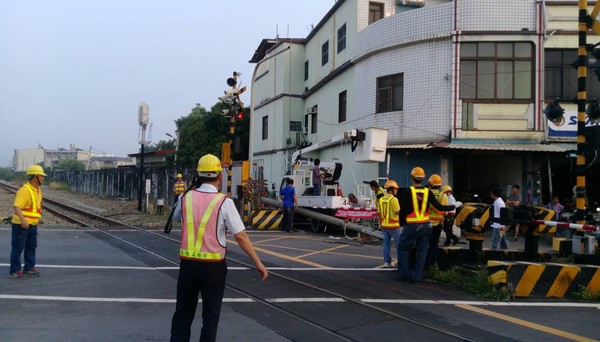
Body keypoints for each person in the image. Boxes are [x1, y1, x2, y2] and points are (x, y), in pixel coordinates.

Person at [170, 154, 268, 342]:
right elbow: (240, 235)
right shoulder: (224, 202)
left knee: (182, 314)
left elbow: (175, 217)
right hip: (213, 269)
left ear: (197, 175)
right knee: (210, 317)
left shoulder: (185, 198)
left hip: (187, 266)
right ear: (220, 176)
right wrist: (258, 263)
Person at [397, 167, 454, 284]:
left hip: (412, 225)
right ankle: (417, 277)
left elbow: (403, 211)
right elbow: (439, 206)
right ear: (423, 179)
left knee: (402, 249)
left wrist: (402, 223)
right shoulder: (427, 192)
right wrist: (454, 206)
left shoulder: (408, 191)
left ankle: (405, 275)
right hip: (425, 225)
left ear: (412, 177)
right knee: (422, 251)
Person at [9, 164, 46, 279]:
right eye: (42, 176)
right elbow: (17, 207)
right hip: (21, 224)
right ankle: (14, 271)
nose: (43, 178)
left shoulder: (37, 190)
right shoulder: (24, 190)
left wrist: (37, 218)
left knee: (31, 247)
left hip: (32, 224)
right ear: (35, 177)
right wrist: (23, 220)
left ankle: (29, 268)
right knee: (18, 248)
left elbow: (35, 207)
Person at [424, 174, 448, 271]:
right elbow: (445, 211)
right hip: (437, 224)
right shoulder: (443, 196)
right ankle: (431, 266)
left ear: (430, 184)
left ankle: (423, 265)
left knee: (424, 245)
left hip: (426, 223)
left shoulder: (426, 194)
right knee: (434, 246)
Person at [379, 180, 401, 268]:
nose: (397, 191)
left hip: (385, 225)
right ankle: (401, 263)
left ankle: (386, 262)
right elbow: (398, 212)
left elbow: (380, 213)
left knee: (386, 244)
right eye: (395, 189)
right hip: (394, 226)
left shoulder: (381, 199)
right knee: (399, 244)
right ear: (391, 189)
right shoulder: (394, 199)